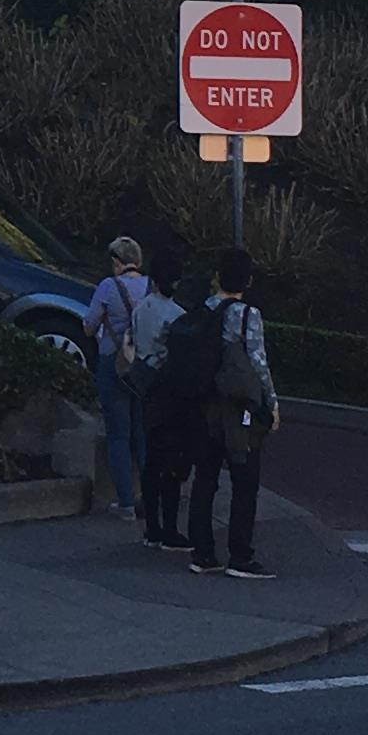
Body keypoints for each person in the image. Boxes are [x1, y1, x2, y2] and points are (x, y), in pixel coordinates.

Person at [183, 244, 281, 578]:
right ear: (248, 281)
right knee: (245, 479)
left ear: (217, 278)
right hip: (237, 407)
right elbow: (258, 364)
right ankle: (240, 555)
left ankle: (202, 552)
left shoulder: (203, 311)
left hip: (204, 403)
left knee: (205, 478)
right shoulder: (247, 316)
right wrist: (272, 404)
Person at [127, 259, 197, 550]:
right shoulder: (179, 316)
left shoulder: (140, 309)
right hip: (170, 392)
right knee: (172, 460)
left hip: (146, 386)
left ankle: (151, 528)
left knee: (151, 459)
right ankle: (170, 529)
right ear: (177, 283)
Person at [83, 233, 151, 520]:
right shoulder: (151, 286)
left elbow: (89, 326)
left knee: (118, 435)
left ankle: (125, 503)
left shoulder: (109, 287)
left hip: (114, 362)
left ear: (116, 261)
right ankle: (152, 498)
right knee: (142, 433)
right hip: (144, 366)